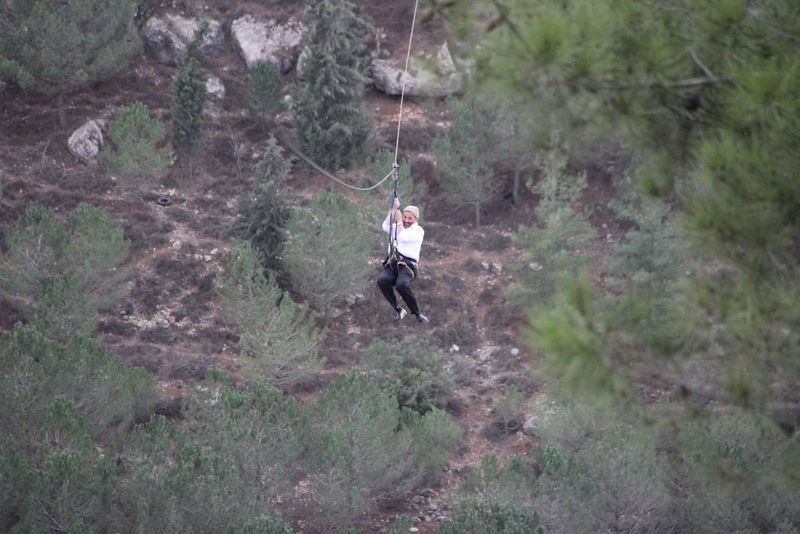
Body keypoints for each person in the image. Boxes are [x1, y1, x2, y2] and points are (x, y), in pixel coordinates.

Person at [377, 197, 429, 323]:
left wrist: (399, 220)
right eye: (405, 217)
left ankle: (417, 313)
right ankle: (398, 309)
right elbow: (385, 226)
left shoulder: (418, 231)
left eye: (410, 218)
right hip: (393, 263)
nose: (406, 221)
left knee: (401, 285)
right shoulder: (397, 226)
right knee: (382, 281)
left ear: (416, 220)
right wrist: (394, 209)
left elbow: (403, 237)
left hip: (407, 266)